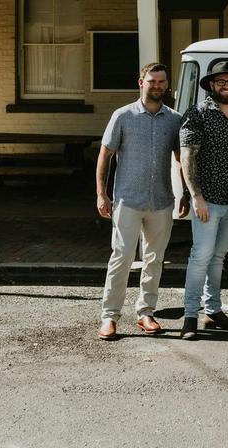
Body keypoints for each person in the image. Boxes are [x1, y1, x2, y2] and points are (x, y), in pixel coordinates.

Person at [96, 62, 185, 340]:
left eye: (161, 82)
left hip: (161, 200)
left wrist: (184, 193)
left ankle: (146, 313)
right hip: (128, 200)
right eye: (152, 81)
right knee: (121, 258)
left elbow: (182, 159)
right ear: (141, 82)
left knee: (154, 259)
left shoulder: (175, 119)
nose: (157, 86)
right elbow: (105, 155)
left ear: (167, 85)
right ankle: (109, 317)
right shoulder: (123, 116)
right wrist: (102, 193)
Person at [178, 61, 228, 340]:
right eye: (220, 81)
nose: (226, 86)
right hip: (207, 200)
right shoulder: (197, 114)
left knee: (218, 257)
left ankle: (214, 311)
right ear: (211, 85)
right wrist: (195, 196)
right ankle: (189, 318)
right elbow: (187, 156)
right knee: (200, 257)